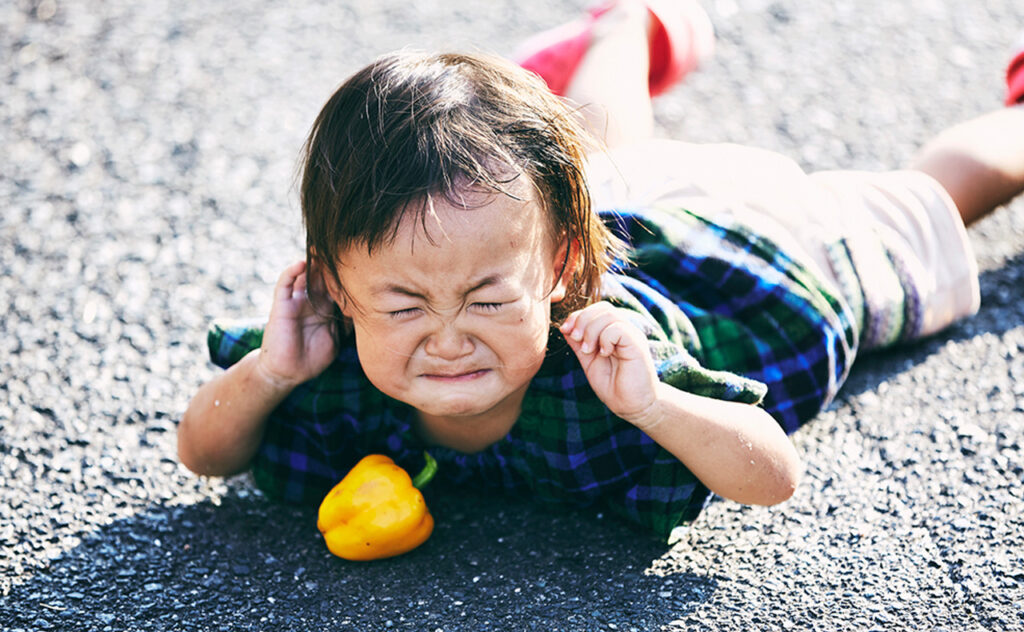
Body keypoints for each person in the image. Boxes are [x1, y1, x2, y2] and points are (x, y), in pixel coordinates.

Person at [178, 0, 1024, 541]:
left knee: (934, 198)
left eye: (487, 299)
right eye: (402, 306)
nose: (446, 337)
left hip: (771, 255)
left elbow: (773, 476)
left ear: (563, 268)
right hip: (623, 207)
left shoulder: (609, 357)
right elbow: (203, 454)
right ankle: (629, 23)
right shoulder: (331, 349)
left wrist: (654, 402)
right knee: (605, 162)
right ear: (334, 286)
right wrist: (267, 373)